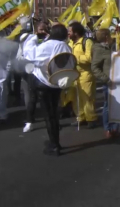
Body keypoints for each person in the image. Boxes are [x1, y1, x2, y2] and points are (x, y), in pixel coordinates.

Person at [22, 24, 78, 156]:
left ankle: (54, 145)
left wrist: (33, 38)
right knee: (53, 113)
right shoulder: (66, 46)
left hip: (44, 83)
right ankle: (55, 142)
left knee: (49, 115)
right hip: (56, 84)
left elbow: (30, 55)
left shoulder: (47, 45)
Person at [22, 22, 50, 132]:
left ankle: (49, 121)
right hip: (32, 72)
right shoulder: (30, 39)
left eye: (45, 29)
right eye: (41, 29)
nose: (43, 31)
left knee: (46, 98)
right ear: (35, 30)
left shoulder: (49, 40)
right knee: (33, 98)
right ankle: (29, 121)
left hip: (45, 73)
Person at [68, 22, 98, 128]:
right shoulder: (71, 43)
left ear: (76, 33)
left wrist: (75, 59)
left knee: (87, 98)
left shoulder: (87, 42)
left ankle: (91, 118)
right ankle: (80, 118)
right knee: (76, 98)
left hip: (86, 74)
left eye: (70, 31)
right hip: (74, 74)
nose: (68, 33)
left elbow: (90, 58)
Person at [91, 29, 119, 138]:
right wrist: (106, 79)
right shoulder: (99, 49)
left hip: (118, 81)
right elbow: (94, 67)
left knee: (118, 106)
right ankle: (108, 128)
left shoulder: (113, 47)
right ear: (106, 37)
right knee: (108, 105)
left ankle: (115, 128)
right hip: (109, 82)